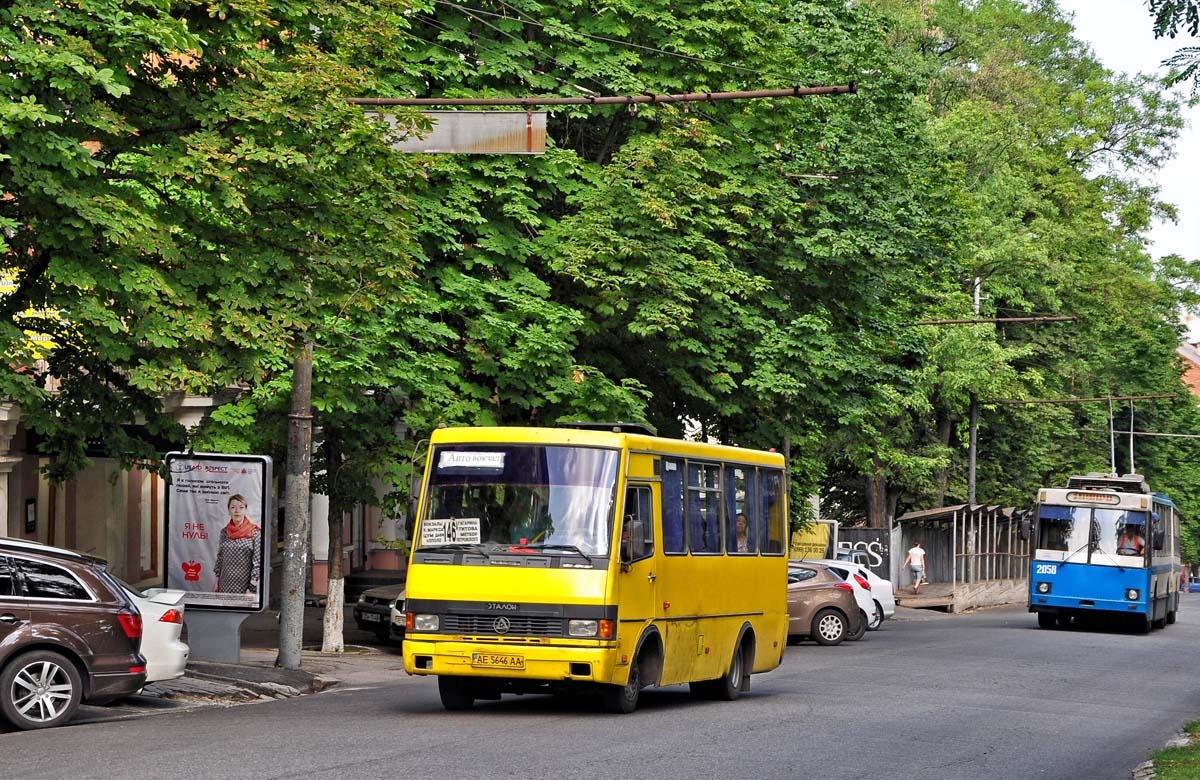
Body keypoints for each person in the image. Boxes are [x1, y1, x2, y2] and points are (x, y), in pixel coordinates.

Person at [213, 494, 262, 594]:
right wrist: (216, 582)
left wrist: (252, 587)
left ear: (245, 510)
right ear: (229, 511)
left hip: (245, 588)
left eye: (241, 507)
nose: (237, 511)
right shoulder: (224, 532)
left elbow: (257, 563)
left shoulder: (255, 533)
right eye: (233, 507)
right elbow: (220, 558)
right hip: (224, 586)